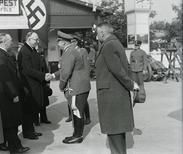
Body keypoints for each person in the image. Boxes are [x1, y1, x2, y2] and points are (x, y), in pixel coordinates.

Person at [95, 22, 139, 154]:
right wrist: (131, 82)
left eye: (98, 33)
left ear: (103, 33)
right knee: (118, 133)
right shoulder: (116, 43)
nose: (97, 36)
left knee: (114, 131)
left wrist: (131, 84)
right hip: (117, 93)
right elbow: (127, 66)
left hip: (111, 95)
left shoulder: (108, 46)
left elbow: (117, 70)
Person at [0, 33, 30, 154]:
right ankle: (16, 147)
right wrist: (13, 94)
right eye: (10, 41)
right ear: (3, 41)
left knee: (8, 122)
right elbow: (5, 78)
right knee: (11, 123)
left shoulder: (2, 54)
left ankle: (4, 144)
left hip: (6, 94)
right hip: (6, 95)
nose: (12, 43)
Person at [56, 31, 91, 144]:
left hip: (76, 86)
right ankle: (77, 134)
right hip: (79, 85)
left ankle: (77, 136)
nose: (58, 44)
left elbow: (66, 72)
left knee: (76, 111)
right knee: (77, 110)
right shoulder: (71, 51)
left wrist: (61, 86)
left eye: (58, 42)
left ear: (63, 42)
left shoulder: (70, 52)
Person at [17, 31, 51, 140]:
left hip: (35, 84)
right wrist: (43, 76)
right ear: (28, 39)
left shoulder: (30, 49)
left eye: (37, 39)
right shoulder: (25, 51)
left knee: (32, 110)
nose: (37, 41)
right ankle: (27, 132)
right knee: (28, 111)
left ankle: (31, 130)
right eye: (35, 39)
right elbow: (28, 70)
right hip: (29, 85)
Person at [64, 36, 91, 125]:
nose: (72, 43)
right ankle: (71, 116)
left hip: (80, 79)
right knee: (70, 97)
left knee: (83, 101)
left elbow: (86, 66)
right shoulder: (68, 51)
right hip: (71, 80)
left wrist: (86, 78)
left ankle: (87, 118)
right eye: (71, 41)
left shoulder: (82, 51)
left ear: (76, 42)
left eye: (74, 41)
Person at [33, 45, 52, 126]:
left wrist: (48, 82)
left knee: (43, 101)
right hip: (36, 81)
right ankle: (36, 119)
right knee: (36, 101)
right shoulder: (32, 59)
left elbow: (46, 69)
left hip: (43, 81)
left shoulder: (42, 58)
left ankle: (44, 118)